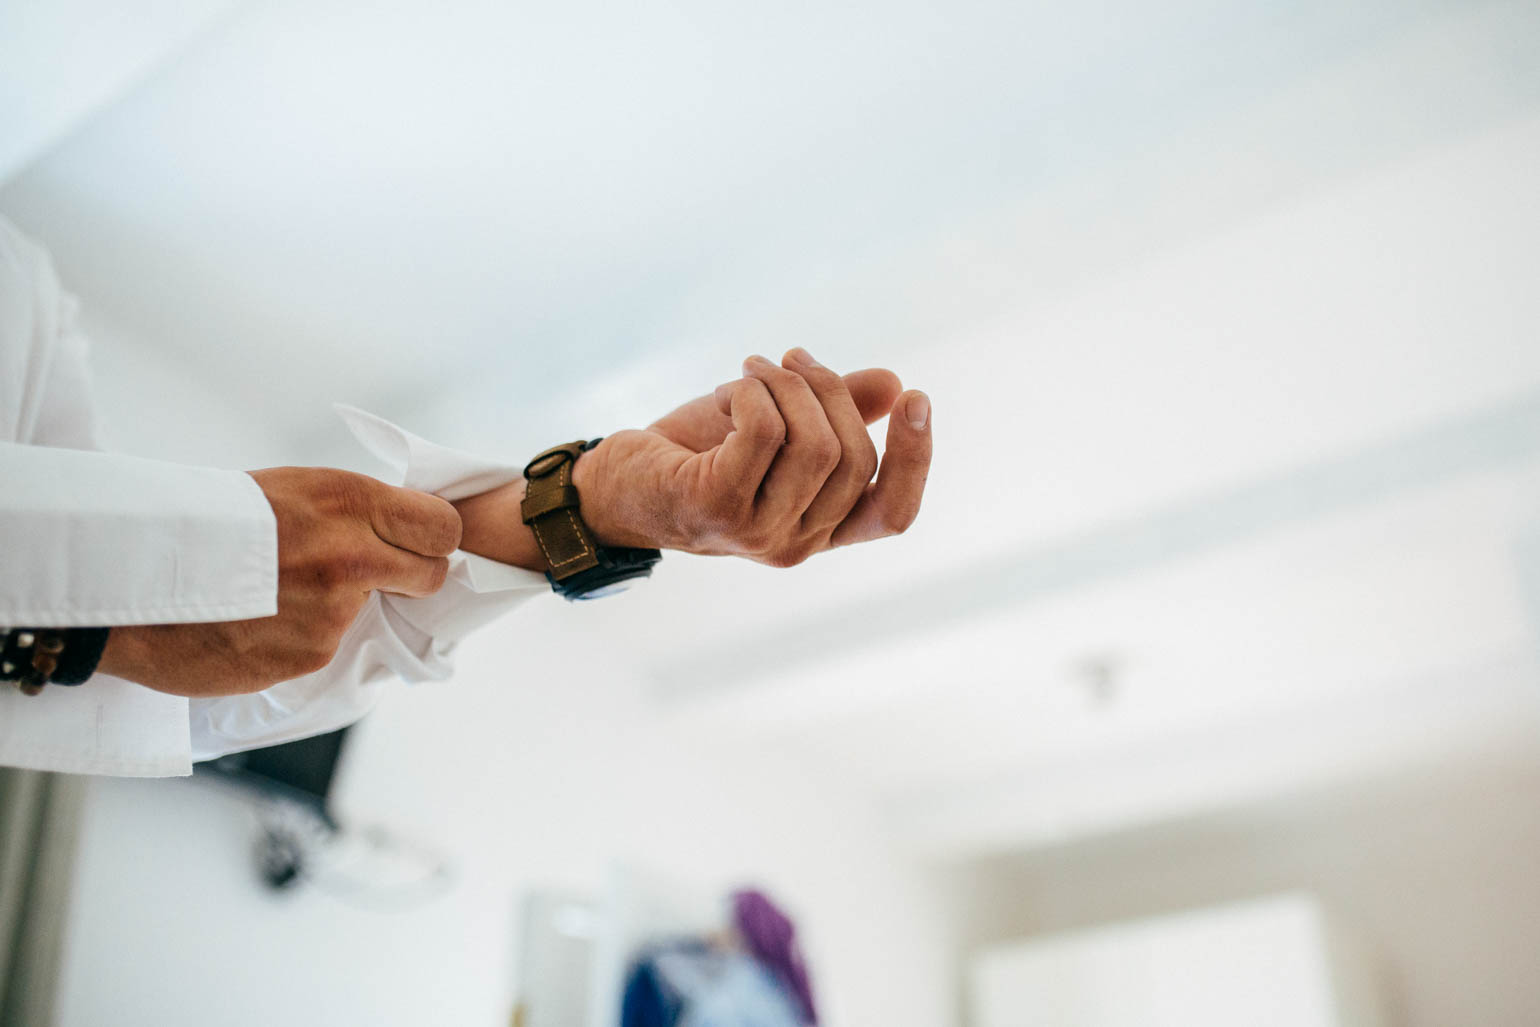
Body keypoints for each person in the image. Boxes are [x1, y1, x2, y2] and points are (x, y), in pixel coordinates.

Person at [0, 216, 933, 776]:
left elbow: (191, 695)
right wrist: (163, 587)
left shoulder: (24, 292)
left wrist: (595, 505)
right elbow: (145, 629)